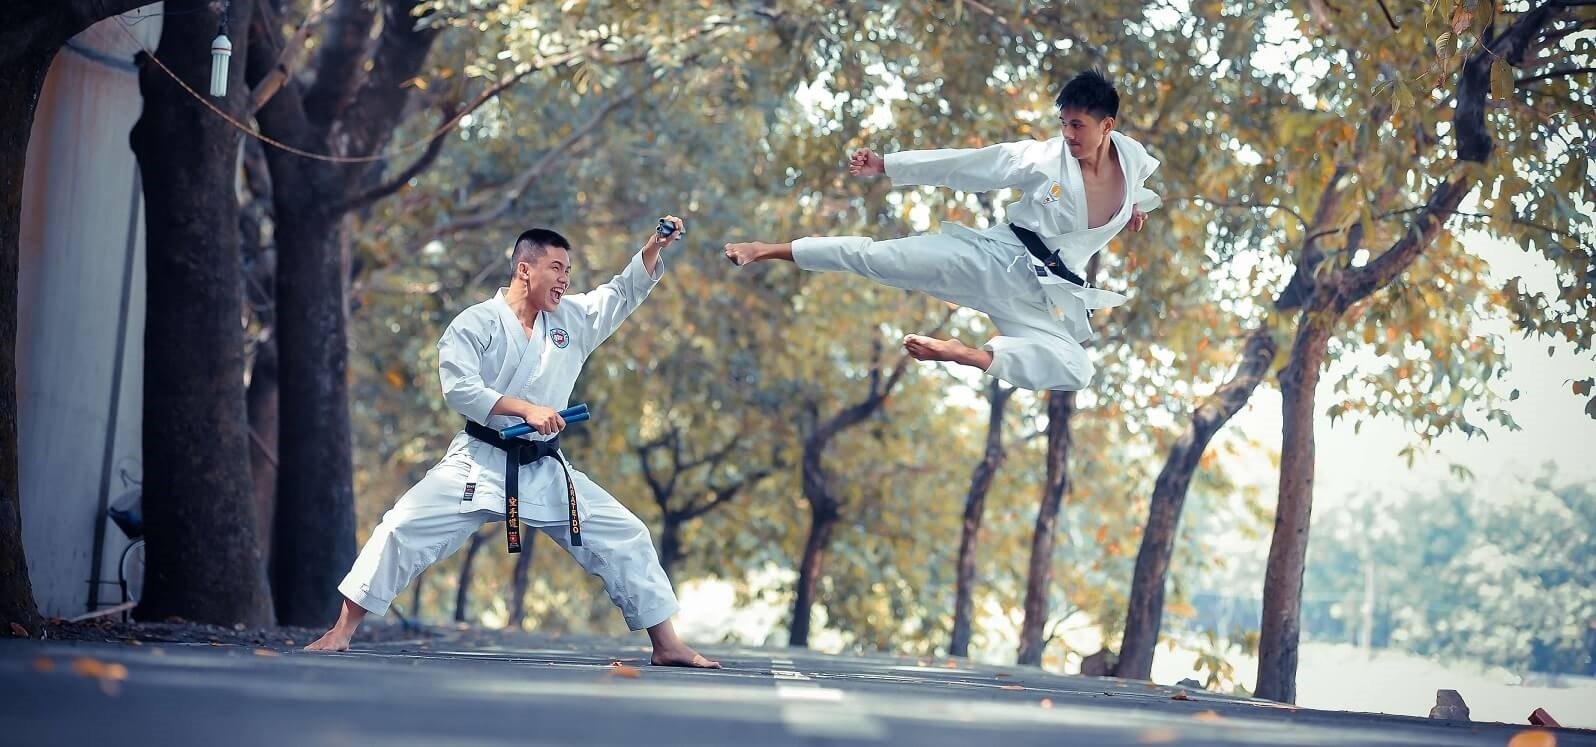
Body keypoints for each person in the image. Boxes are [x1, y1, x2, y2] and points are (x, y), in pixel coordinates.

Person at [305, 217, 719, 669]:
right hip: (478, 463)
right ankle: (341, 631)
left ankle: (666, 644)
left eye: (568, 272)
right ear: (525, 269)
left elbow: (621, 292)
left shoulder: (571, 321)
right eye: (557, 268)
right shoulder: (475, 323)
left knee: (626, 534)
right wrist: (525, 409)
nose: (565, 280)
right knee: (401, 528)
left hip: (544, 468)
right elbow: (459, 388)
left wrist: (655, 245)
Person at [723, 70, 1161, 391]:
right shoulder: (1041, 160)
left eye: (1077, 125)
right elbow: (965, 164)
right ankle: (767, 249)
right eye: (1063, 123)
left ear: (1108, 126)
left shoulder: (1131, 158)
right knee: (875, 257)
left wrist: (1133, 208)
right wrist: (887, 165)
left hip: (1041, 300)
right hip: (990, 260)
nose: (1067, 134)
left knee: (1077, 371)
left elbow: (1130, 191)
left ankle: (967, 355)